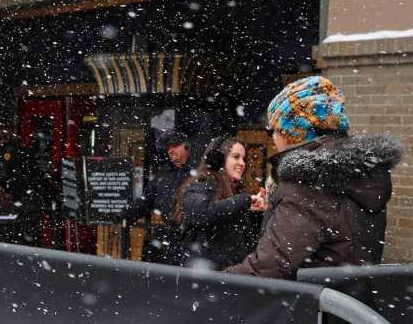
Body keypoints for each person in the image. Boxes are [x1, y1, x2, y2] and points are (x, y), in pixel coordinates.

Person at [226, 76, 403, 279]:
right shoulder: (362, 174)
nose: (272, 137)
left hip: (309, 304)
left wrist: (216, 283)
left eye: (273, 129)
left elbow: (269, 267)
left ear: (291, 131)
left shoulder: (306, 182)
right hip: (348, 303)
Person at [168, 136, 266, 268]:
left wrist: (253, 211)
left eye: (243, 158)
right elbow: (201, 213)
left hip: (225, 276)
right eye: (236, 157)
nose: (242, 163)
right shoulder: (203, 182)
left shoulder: (230, 191)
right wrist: (244, 200)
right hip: (205, 277)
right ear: (218, 159)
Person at [125, 132, 194, 262]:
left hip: (187, 239)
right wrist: (125, 214)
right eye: (168, 148)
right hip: (164, 238)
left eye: (175, 147)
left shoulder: (196, 174)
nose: (171, 151)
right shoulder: (163, 175)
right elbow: (145, 202)